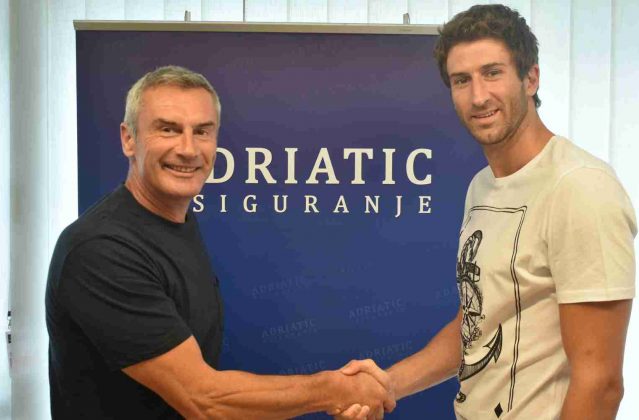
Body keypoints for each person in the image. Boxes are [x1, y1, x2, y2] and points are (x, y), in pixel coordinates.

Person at [338, 4, 636, 419]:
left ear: (530, 78)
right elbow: (477, 325)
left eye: (492, 73)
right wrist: (388, 385)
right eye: (462, 80)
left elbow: (600, 384)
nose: (478, 96)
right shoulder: (482, 186)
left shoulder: (579, 187)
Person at [46, 65, 394, 419]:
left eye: (202, 131)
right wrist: (333, 389)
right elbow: (203, 398)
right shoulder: (101, 250)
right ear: (128, 139)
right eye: (168, 129)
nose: (187, 149)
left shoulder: (174, 220)